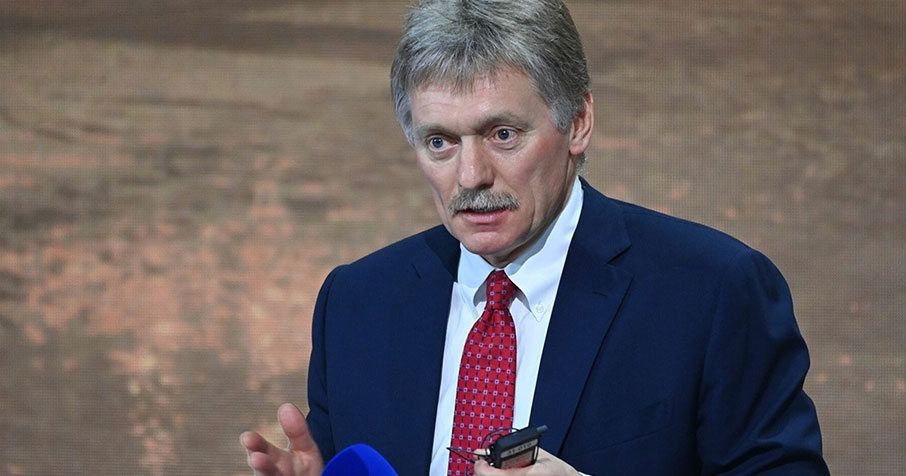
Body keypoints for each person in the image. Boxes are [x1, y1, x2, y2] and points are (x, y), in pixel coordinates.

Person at [241, 1, 830, 475]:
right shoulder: (357, 302)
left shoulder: (712, 291)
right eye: (440, 142)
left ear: (578, 123)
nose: (471, 176)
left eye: (502, 134)